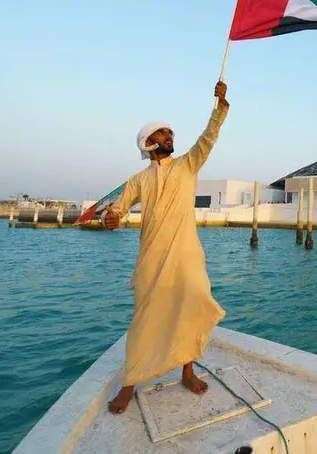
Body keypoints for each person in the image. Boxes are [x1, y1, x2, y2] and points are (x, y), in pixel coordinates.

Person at [103, 80, 230, 414]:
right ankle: (129, 382)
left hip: (187, 256)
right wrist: (112, 217)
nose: (170, 137)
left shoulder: (187, 165)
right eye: (162, 133)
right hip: (151, 259)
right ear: (148, 143)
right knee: (144, 318)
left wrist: (219, 107)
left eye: (171, 133)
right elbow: (117, 207)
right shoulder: (139, 180)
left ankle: (188, 371)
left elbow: (208, 139)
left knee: (191, 307)